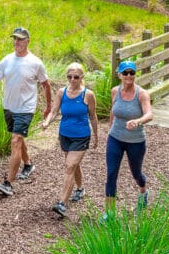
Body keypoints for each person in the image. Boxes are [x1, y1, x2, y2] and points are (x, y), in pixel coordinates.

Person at [0, 27, 52, 196]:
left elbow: (46, 84)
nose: (16, 42)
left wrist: (48, 107)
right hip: (9, 106)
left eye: (20, 39)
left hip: (26, 108)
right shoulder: (7, 60)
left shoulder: (35, 62)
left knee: (15, 140)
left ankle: (9, 183)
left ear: (28, 41)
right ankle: (28, 164)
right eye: (15, 39)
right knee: (18, 138)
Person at [40, 62, 98, 217]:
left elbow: (93, 116)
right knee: (73, 165)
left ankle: (62, 203)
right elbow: (54, 111)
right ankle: (80, 189)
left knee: (69, 166)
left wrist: (96, 136)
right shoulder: (61, 92)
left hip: (81, 135)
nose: (73, 79)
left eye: (76, 77)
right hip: (65, 134)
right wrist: (46, 122)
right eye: (70, 76)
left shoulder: (88, 95)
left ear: (82, 77)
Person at [104, 60, 153, 218]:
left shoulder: (141, 94)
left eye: (132, 72)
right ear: (119, 75)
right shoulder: (115, 91)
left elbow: (149, 114)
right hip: (115, 138)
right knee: (111, 174)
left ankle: (143, 192)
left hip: (136, 141)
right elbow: (113, 111)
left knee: (136, 173)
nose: (129, 76)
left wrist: (138, 121)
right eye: (125, 73)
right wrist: (110, 128)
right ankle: (110, 213)